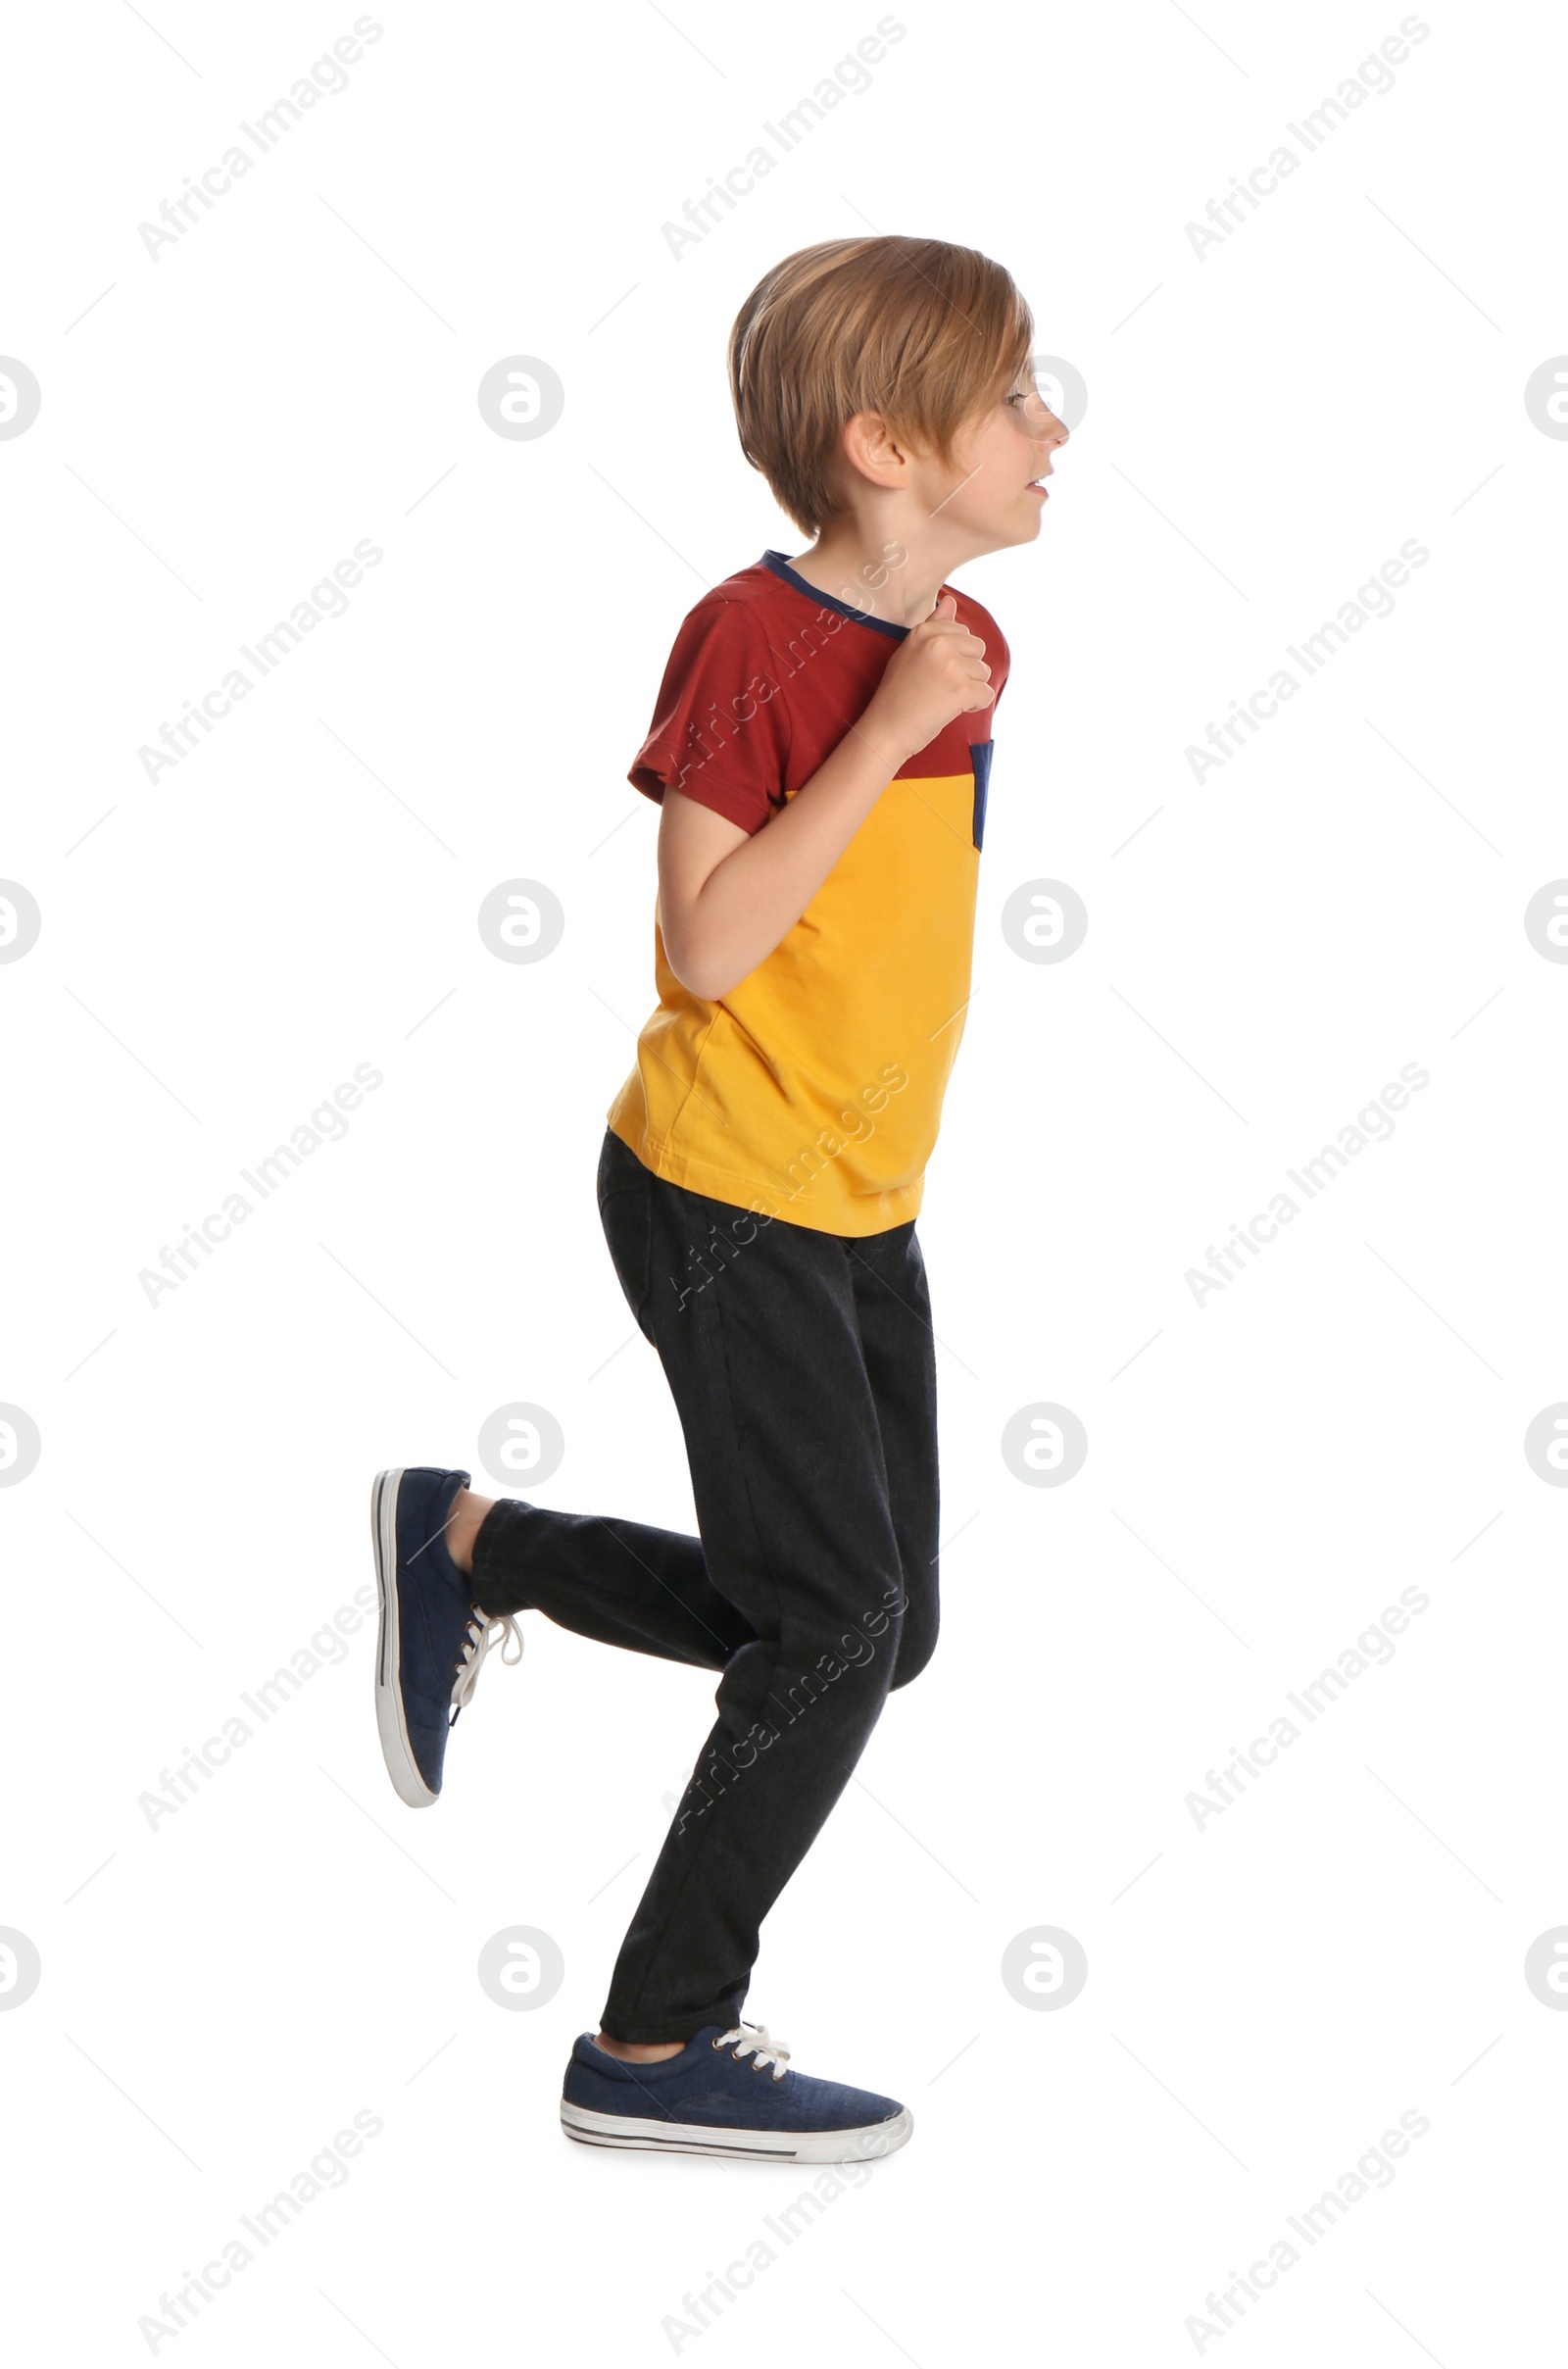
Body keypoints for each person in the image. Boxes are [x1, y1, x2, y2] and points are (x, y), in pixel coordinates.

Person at [369, 233, 1067, 2160]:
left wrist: (917, 715)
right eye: (1010, 396)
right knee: (832, 1628)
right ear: (877, 443)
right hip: (716, 1190)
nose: (1048, 426)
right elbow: (707, 945)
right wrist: (878, 735)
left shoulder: (960, 649)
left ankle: (476, 1548)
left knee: (869, 1622)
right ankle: (651, 2050)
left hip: (852, 1200)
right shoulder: (751, 642)